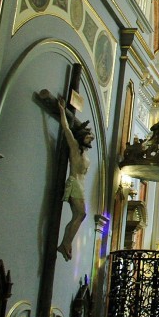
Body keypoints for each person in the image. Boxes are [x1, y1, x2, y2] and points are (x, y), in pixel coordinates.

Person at [56, 96, 94, 261]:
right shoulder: (74, 147)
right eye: (88, 137)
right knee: (80, 214)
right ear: (81, 137)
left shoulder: (84, 152)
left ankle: (66, 243)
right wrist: (62, 110)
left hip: (81, 185)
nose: (90, 139)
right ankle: (66, 243)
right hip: (74, 183)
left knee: (80, 215)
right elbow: (66, 128)